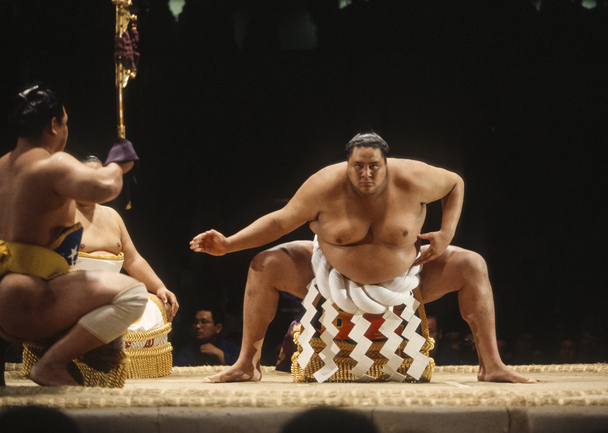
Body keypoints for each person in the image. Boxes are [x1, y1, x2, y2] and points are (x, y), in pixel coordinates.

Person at [190, 132, 536, 384]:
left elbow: (456, 183)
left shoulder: (413, 178)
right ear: (347, 164)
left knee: (473, 264)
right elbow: (280, 221)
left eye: (374, 167)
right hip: (329, 280)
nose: (366, 175)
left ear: (387, 164)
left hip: (409, 279)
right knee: (264, 263)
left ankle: (491, 364)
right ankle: (247, 363)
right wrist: (230, 244)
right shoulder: (324, 185)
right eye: (358, 167)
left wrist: (446, 236)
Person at [0, 83, 147, 386]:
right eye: (65, 122)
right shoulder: (51, 162)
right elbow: (104, 188)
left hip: (5, 293)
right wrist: (119, 164)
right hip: (32, 298)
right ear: (53, 125)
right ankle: (52, 364)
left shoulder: (2, 166)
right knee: (133, 294)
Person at [74, 156, 179, 322]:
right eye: (88, 176)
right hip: (76, 292)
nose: (95, 183)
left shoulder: (113, 216)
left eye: (99, 177)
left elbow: (133, 260)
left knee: (163, 307)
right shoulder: (62, 214)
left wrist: (160, 287)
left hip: (115, 293)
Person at [174, 306, 240, 366]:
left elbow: (242, 367)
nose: (198, 326)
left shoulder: (230, 348)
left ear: (218, 328)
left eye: (204, 322)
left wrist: (218, 353)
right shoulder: (188, 353)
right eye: (195, 322)